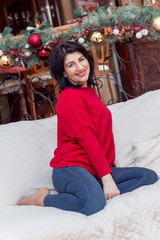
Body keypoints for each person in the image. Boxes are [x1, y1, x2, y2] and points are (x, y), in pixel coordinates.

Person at [18, 41, 158, 216]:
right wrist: (107, 178)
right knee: (92, 205)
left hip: (94, 170)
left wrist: (109, 160)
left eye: (81, 59)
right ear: (63, 72)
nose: (79, 67)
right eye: (71, 65)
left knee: (148, 176)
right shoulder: (69, 97)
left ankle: (94, 191)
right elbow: (87, 137)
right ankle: (41, 199)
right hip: (70, 168)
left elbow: (100, 131)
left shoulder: (90, 93)